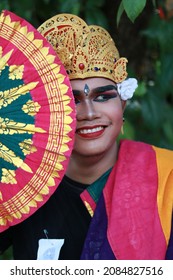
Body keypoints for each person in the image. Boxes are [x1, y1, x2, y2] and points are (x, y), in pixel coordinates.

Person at [0, 13, 173, 260]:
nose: (90, 113)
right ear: (52, 110)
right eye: (73, 100)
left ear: (123, 105)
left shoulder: (166, 180)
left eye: (103, 97)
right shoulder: (23, 188)